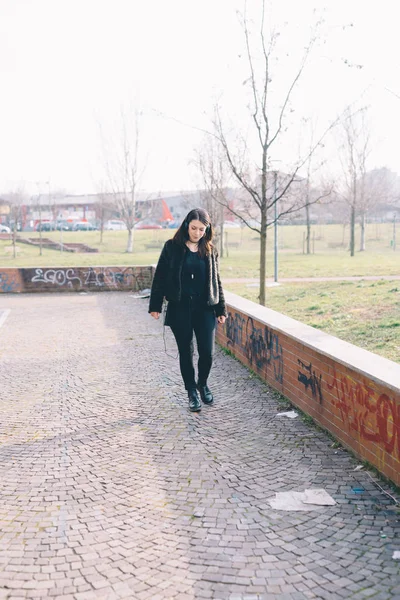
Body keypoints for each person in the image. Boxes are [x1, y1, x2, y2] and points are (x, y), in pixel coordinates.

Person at [149, 208, 227, 412]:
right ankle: (191, 391)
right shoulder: (172, 247)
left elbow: (216, 281)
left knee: (207, 354)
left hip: (205, 309)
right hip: (180, 308)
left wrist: (221, 309)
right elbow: (160, 277)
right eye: (194, 228)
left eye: (202, 229)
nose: (197, 233)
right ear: (186, 225)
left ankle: (202, 384)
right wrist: (155, 305)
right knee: (186, 351)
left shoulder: (210, 250)